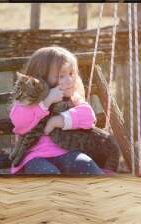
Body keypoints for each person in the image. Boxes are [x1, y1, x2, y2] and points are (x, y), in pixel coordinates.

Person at [9, 46, 105, 175]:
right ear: (40, 78)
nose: (69, 80)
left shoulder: (72, 97)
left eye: (71, 74)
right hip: (35, 156)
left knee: (87, 166)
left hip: (67, 152)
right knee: (47, 174)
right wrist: (46, 102)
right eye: (61, 76)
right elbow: (20, 123)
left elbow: (89, 117)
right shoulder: (28, 100)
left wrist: (59, 120)